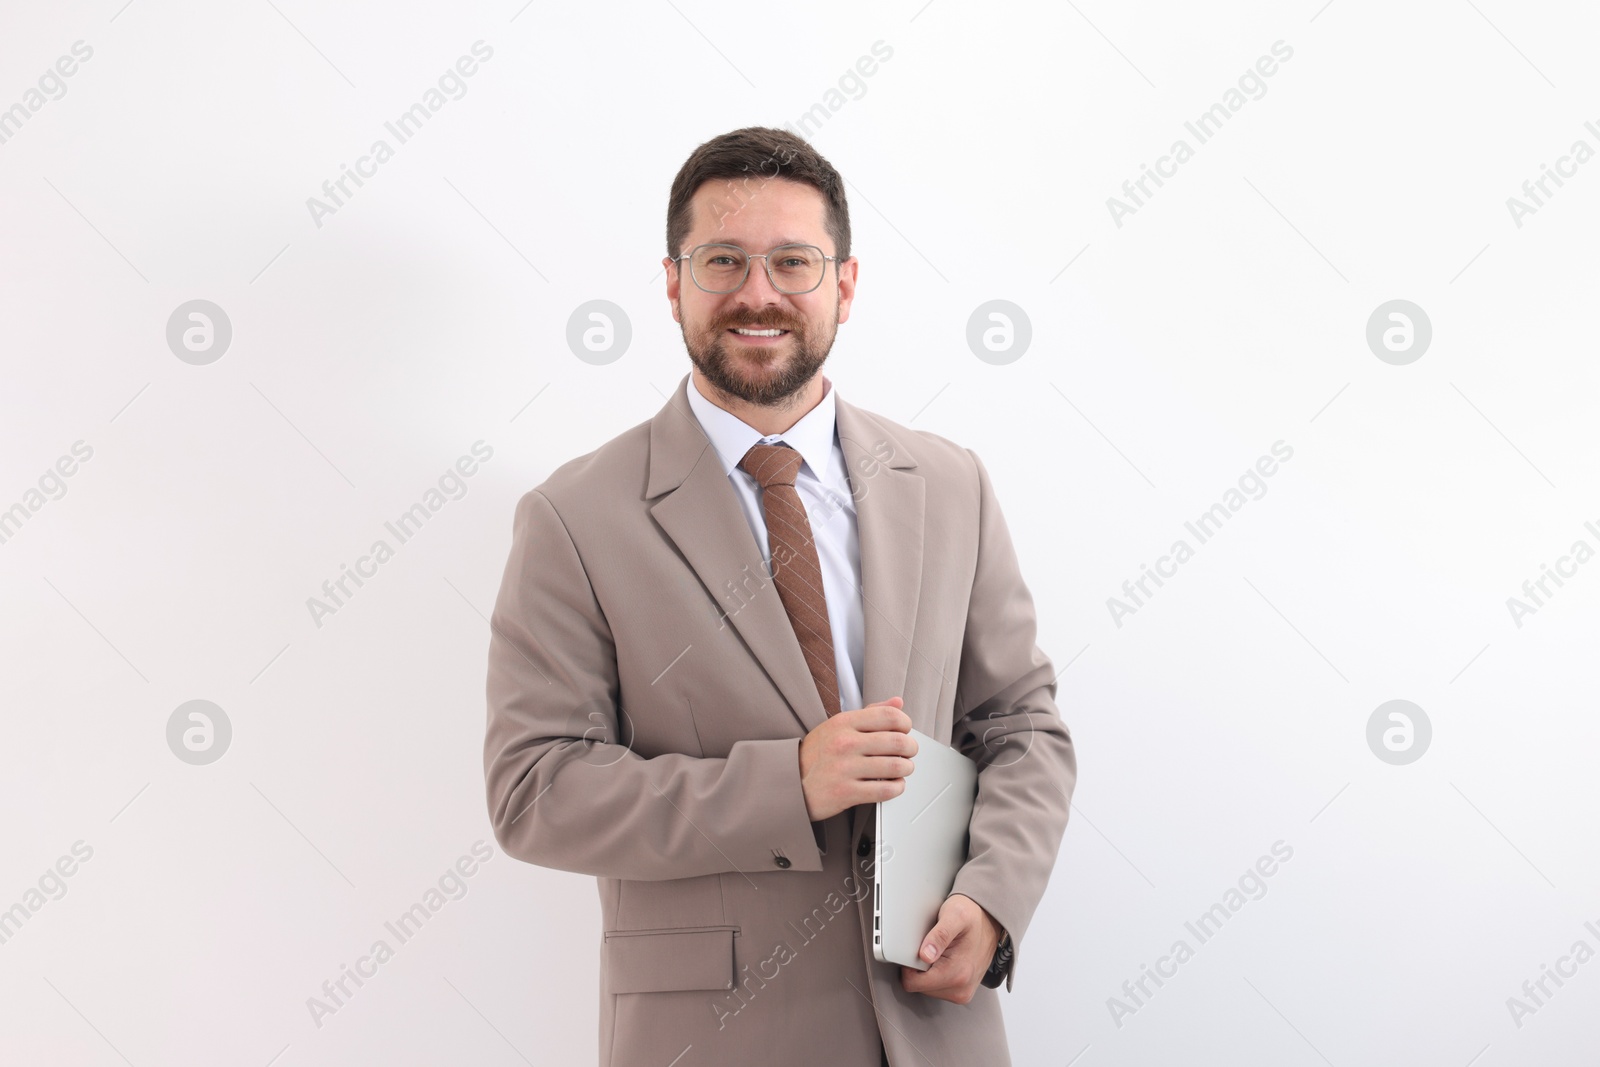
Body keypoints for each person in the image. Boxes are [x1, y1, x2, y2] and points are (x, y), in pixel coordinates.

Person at [483, 126, 1075, 1067]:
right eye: (723, 260)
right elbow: (535, 791)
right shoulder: (574, 517)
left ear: (843, 285)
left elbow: (1019, 724)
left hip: (932, 1024)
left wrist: (994, 894)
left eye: (793, 262)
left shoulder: (950, 483)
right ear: (673, 283)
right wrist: (787, 783)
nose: (758, 293)